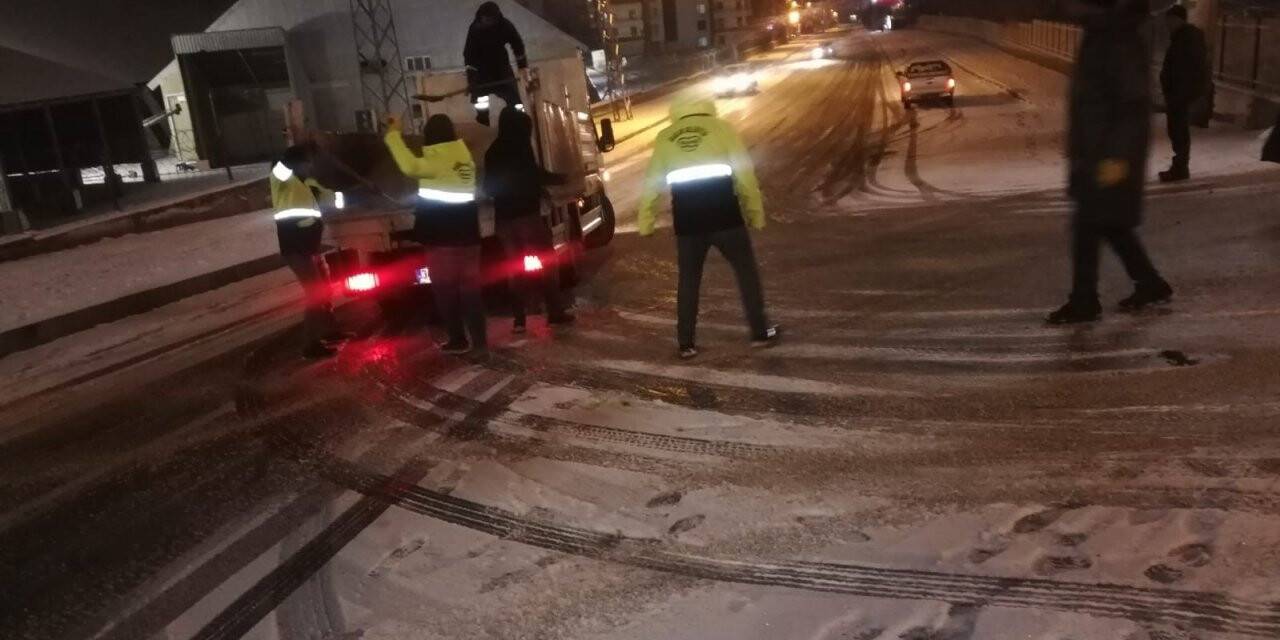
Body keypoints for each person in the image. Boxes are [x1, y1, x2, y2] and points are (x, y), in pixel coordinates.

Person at [1049, 0, 1173, 325]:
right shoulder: (1104, 34)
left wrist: (1116, 157)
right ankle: (1149, 282)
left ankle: (1085, 300)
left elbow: (1131, 103)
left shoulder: (1116, 37)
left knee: (1089, 226)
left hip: (1108, 155)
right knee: (1110, 224)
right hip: (1095, 151)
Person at [638, 97, 779, 359]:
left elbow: (651, 182)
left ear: (676, 114)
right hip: (725, 216)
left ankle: (686, 343)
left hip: (688, 221)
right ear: (707, 110)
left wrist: (645, 220)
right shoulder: (722, 129)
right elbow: (745, 176)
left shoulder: (665, 137)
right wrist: (755, 213)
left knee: (689, 281)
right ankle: (759, 332)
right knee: (746, 273)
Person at [383, 114, 487, 355]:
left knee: (445, 290)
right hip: (469, 235)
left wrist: (393, 135)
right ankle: (480, 344)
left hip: (442, 238)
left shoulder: (438, 160)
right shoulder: (463, 158)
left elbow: (409, 166)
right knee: (471, 291)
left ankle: (458, 339)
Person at [483, 106, 574, 332]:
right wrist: (560, 179)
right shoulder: (521, 147)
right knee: (547, 261)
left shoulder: (492, 151)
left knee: (514, 269)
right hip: (527, 217)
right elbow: (534, 175)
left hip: (504, 221)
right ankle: (554, 311)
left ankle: (519, 321)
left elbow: (488, 187)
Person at [270, 144, 346, 359]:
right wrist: (298, 149)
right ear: (296, 164)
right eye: (307, 162)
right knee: (315, 294)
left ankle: (329, 331)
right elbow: (281, 167)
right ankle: (310, 345)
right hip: (295, 249)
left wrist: (339, 194)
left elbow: (332, 199)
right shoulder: (281, 180)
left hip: (310, 247)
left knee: (324, 290)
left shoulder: (308, 183)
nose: (311, 166)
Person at [1158, 4, 1211, 183]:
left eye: (1169, 20)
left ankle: (1180, 168)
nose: (1167, 24)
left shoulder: (1187, 39)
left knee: (1179, 131)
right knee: (1176, 131)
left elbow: (1189, 69)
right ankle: (1179, 166)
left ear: (1178, 20)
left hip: (1181, 95)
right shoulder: (1181, 37)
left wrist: (1181, 93)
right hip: (1177, 94)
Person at [464, 1, 528, 125]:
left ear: (496, 18)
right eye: (485, 19)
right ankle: (483, 123)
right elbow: (469, 55)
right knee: (481, 101)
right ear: (480, 17)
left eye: (490, 19)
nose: (487, 22)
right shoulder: (474, 29)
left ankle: (520, 121)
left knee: (514, 99)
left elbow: (517, 45)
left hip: (501, 67)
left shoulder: (505, 26)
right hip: (481, 70)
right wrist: (471, 80)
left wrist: (523, 66)